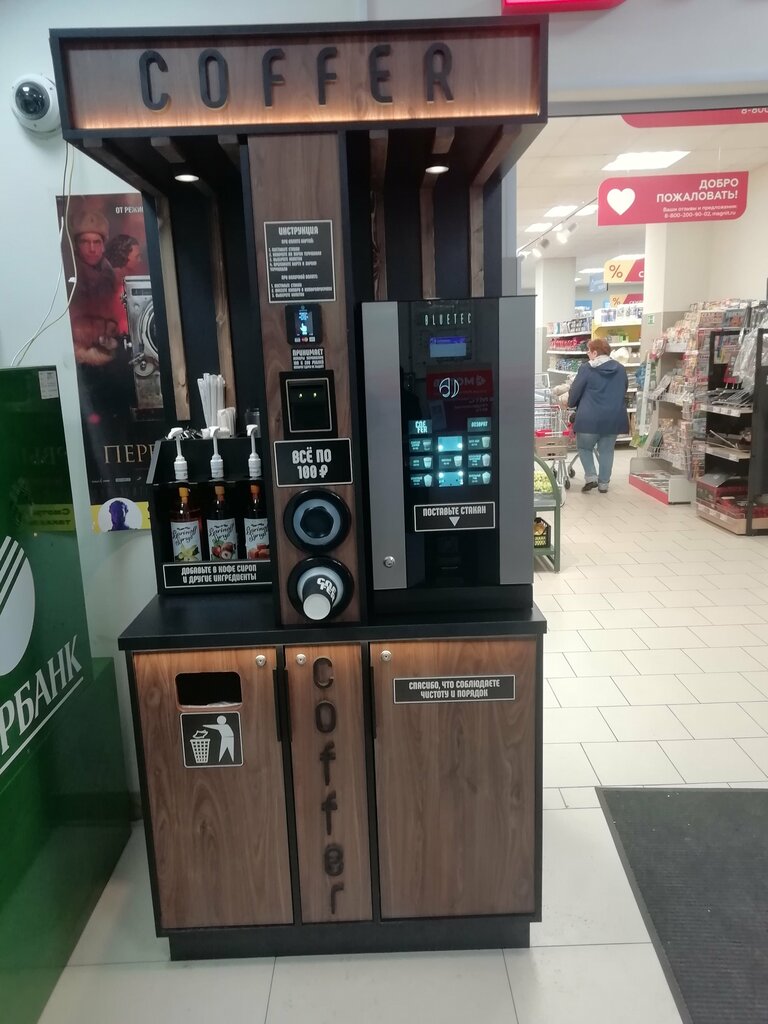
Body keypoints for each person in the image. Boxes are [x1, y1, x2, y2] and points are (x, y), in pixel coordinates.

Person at [568, 336, 629, 494]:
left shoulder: (587, 369)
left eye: (589, 351)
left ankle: (591, 477)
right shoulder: (620, 369)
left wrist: (571, 402)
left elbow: (575, 392)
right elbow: (624, 389)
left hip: (589, 418)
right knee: (607, 451)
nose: (588, 354)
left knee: (584, 447)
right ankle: (603, 485)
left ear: (595, 353)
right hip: (613, 417)